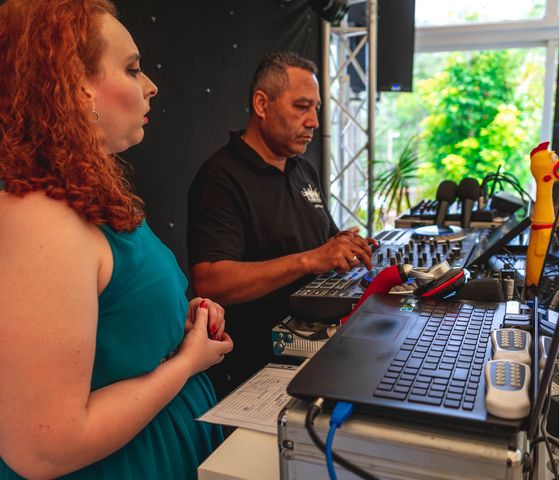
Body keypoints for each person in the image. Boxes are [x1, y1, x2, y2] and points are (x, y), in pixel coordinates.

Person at [0, 1, 233, 478]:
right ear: (74, 86)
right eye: (131, 69)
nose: (150, 85)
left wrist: (174, 327)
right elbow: (45, 448)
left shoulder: (79, 194)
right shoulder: (38, 216)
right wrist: (186, 363)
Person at [187, 51, 376, 398]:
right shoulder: (220, 178)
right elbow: (211, 281)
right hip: (257, 371)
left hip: (317, 355)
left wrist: (345, 244)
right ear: (262, 104)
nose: (314, 122)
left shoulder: (302, 168)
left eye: (316, 108)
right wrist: (308, 259)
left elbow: (324, 240)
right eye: (302, 107)